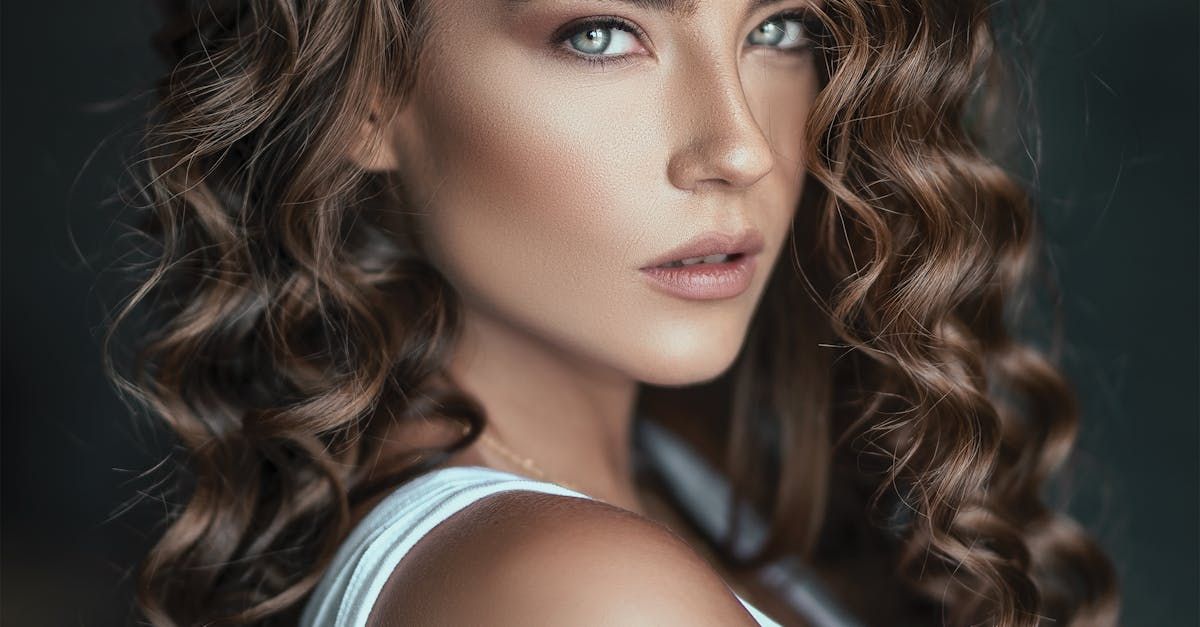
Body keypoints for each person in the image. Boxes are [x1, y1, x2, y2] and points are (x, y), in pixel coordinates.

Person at [104, 0, 1121, 625]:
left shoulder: (673, 477)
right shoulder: (583, 596)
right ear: (364, 94)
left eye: (780, 28)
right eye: (602, 34)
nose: (739, 149)